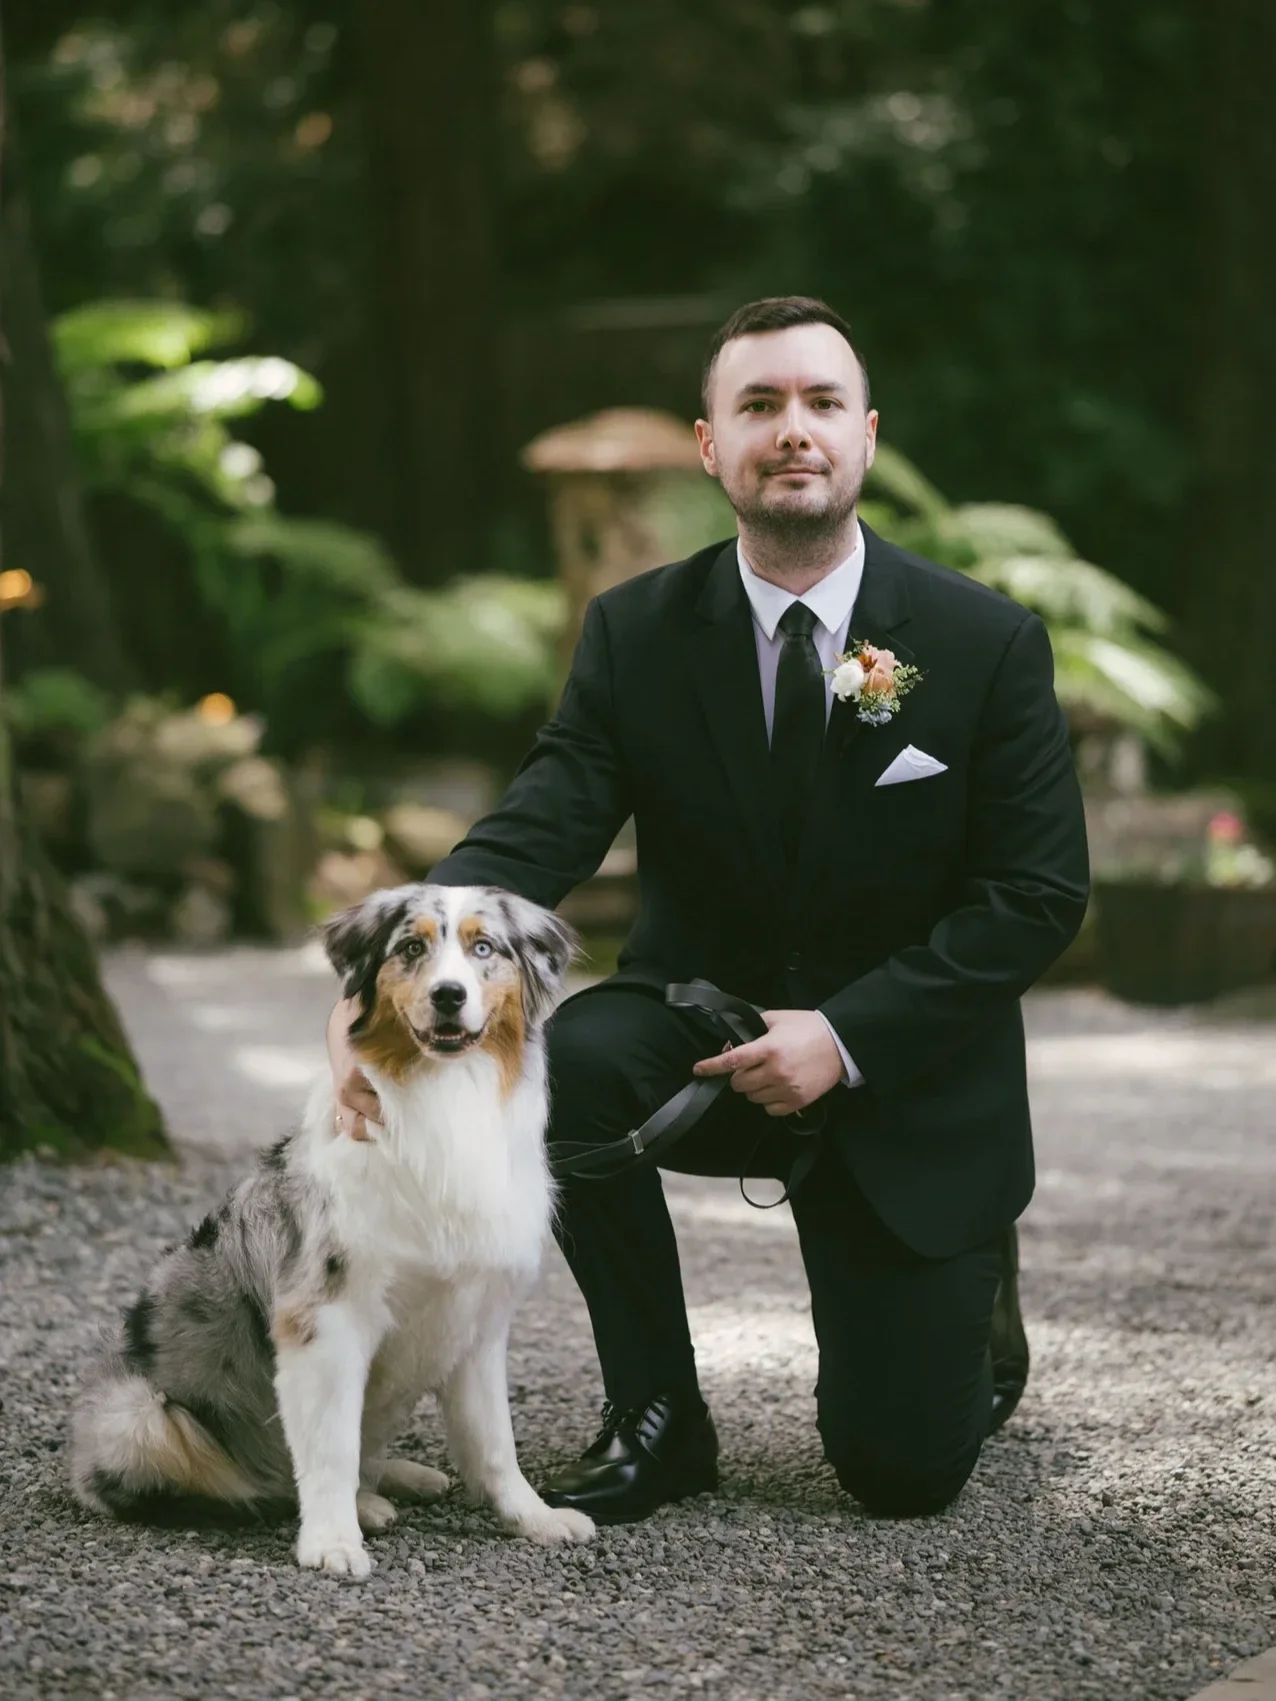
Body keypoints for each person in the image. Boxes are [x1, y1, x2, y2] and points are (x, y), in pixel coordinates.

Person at [327, 296, 1090, 1523]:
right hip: (705, 1041)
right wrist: (383, 978)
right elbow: (541, 825)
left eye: (820, 403)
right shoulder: (636, 633)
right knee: (560, 1063)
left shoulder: (983, 643)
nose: (793, 430)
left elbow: (1036, 895)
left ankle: (974, 1303)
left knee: (901, 1472)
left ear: (866, 435)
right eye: (759, 406)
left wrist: (841, 1038)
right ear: (709, 445)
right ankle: (659, 1415)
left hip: (902, 1079)